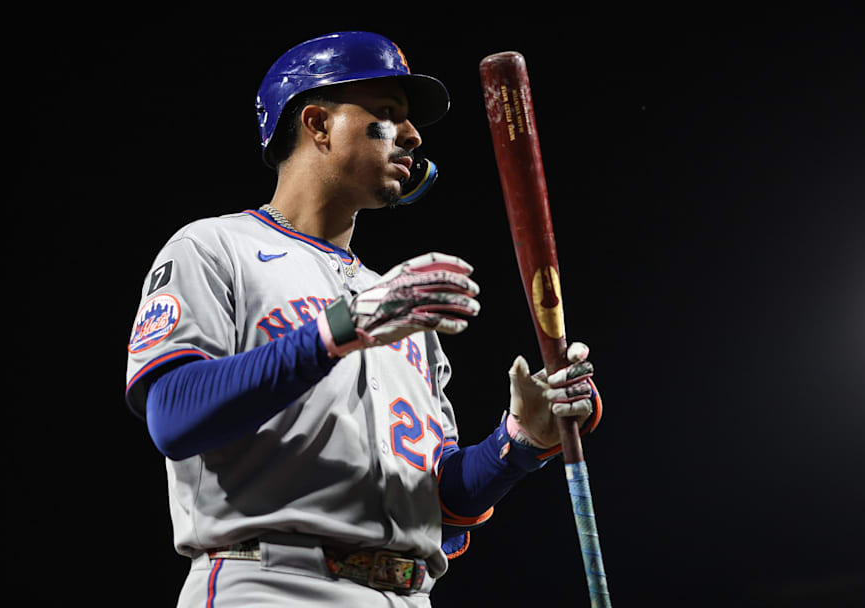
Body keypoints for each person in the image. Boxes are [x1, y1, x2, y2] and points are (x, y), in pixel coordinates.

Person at [123, 31, 602, 607]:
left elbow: (442, 508)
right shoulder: (215, 247)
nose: (414, 135)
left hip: (408, 593)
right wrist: (340, 329)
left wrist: (519, 443)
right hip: (271, 583)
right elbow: (173, 417)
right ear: (318, 124)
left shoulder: (396, 302)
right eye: (387, 112)